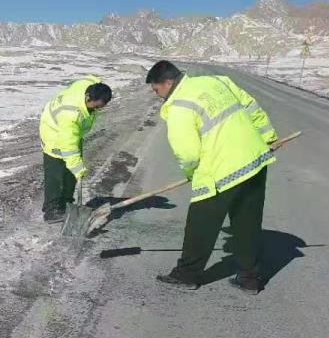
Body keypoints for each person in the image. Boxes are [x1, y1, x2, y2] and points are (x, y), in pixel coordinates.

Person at [145, 61, 277, 293]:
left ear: (167, 82)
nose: (157, 96)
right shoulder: (217, 81)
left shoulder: (180, 106)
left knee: (201, 225)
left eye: (156, 90)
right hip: (255, 161)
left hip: (221, 171)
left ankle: (187, 275)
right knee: (247, 223)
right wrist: (267, 137)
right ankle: (249, 279)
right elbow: (250, 105)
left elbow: (187, 153)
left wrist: (192, 174)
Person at [38, 76, 113, 222]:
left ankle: (66, 203)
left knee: (71, 172)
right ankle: (51, 210)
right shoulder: (70, 115)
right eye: (95, 107)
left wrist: (76, 169)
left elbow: (90, 78)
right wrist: (78, 169)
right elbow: (69, 146)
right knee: (56, 173)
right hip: (54, 132)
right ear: (88, 97)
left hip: (71, 132)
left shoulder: (89, 86)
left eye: (100, 107)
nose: (97, 110)